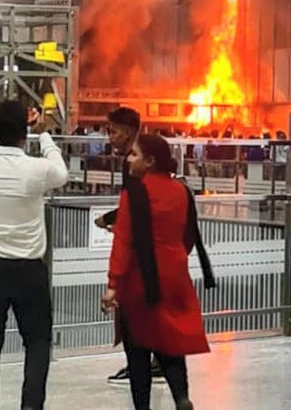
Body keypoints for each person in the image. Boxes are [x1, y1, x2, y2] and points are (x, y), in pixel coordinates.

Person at [0, 101, 68, 410]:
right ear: (25, 132)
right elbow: (61, 172)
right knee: (37, 341)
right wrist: (44, 134)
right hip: (28, 269)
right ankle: (31, 406)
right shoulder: (36, 171)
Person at [101, 134, 214, 410]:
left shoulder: (134, 193)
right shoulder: (181, 191)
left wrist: (113, 284)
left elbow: (124, 241)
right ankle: (181, 397)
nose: (129, 159)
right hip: (175, 275)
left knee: (138, 348)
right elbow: (188, 235)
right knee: (170, 343)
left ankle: (142, 406)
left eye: (134, 155)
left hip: (140, 280)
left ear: (150, 161)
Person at [92, 108, 167, 385]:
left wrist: (110, 219)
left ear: (128, 130)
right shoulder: (149, 155)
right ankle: (156, 363)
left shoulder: (131, 162)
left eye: (113, 131)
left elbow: (134, 205)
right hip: (156, 245)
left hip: (141, 249)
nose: (110, 137)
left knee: (134, 308)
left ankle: (140, 366)